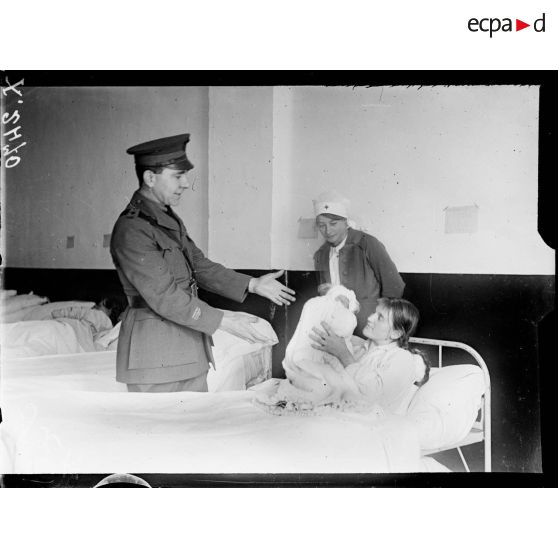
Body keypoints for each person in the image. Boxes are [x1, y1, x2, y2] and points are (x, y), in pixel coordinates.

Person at [110, 133, 295, 393]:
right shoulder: (133, 228)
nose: (186, 183)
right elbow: (164, 296)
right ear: (150, 178)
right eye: (177, 176)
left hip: (189, 349)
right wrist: (224, 321)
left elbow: (199, 265)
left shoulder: (165, 220)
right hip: (156, 357)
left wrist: (253, 284)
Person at [310, 297, 430, 415]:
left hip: (368, 422)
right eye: (374, 312)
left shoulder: (402, 358)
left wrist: (343, 354)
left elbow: (374, 396)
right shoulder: (359, 347)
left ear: (395, 333)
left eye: (380, 317)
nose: (369, 318)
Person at [312, 190, 405, 337]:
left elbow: (394, 286)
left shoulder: (367, 244)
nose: (327, 230)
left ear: (345, 222)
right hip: (336, 326)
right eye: (321, 225)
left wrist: (381, 323)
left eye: (333, 223)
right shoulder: (321, 254)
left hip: (368, 327)